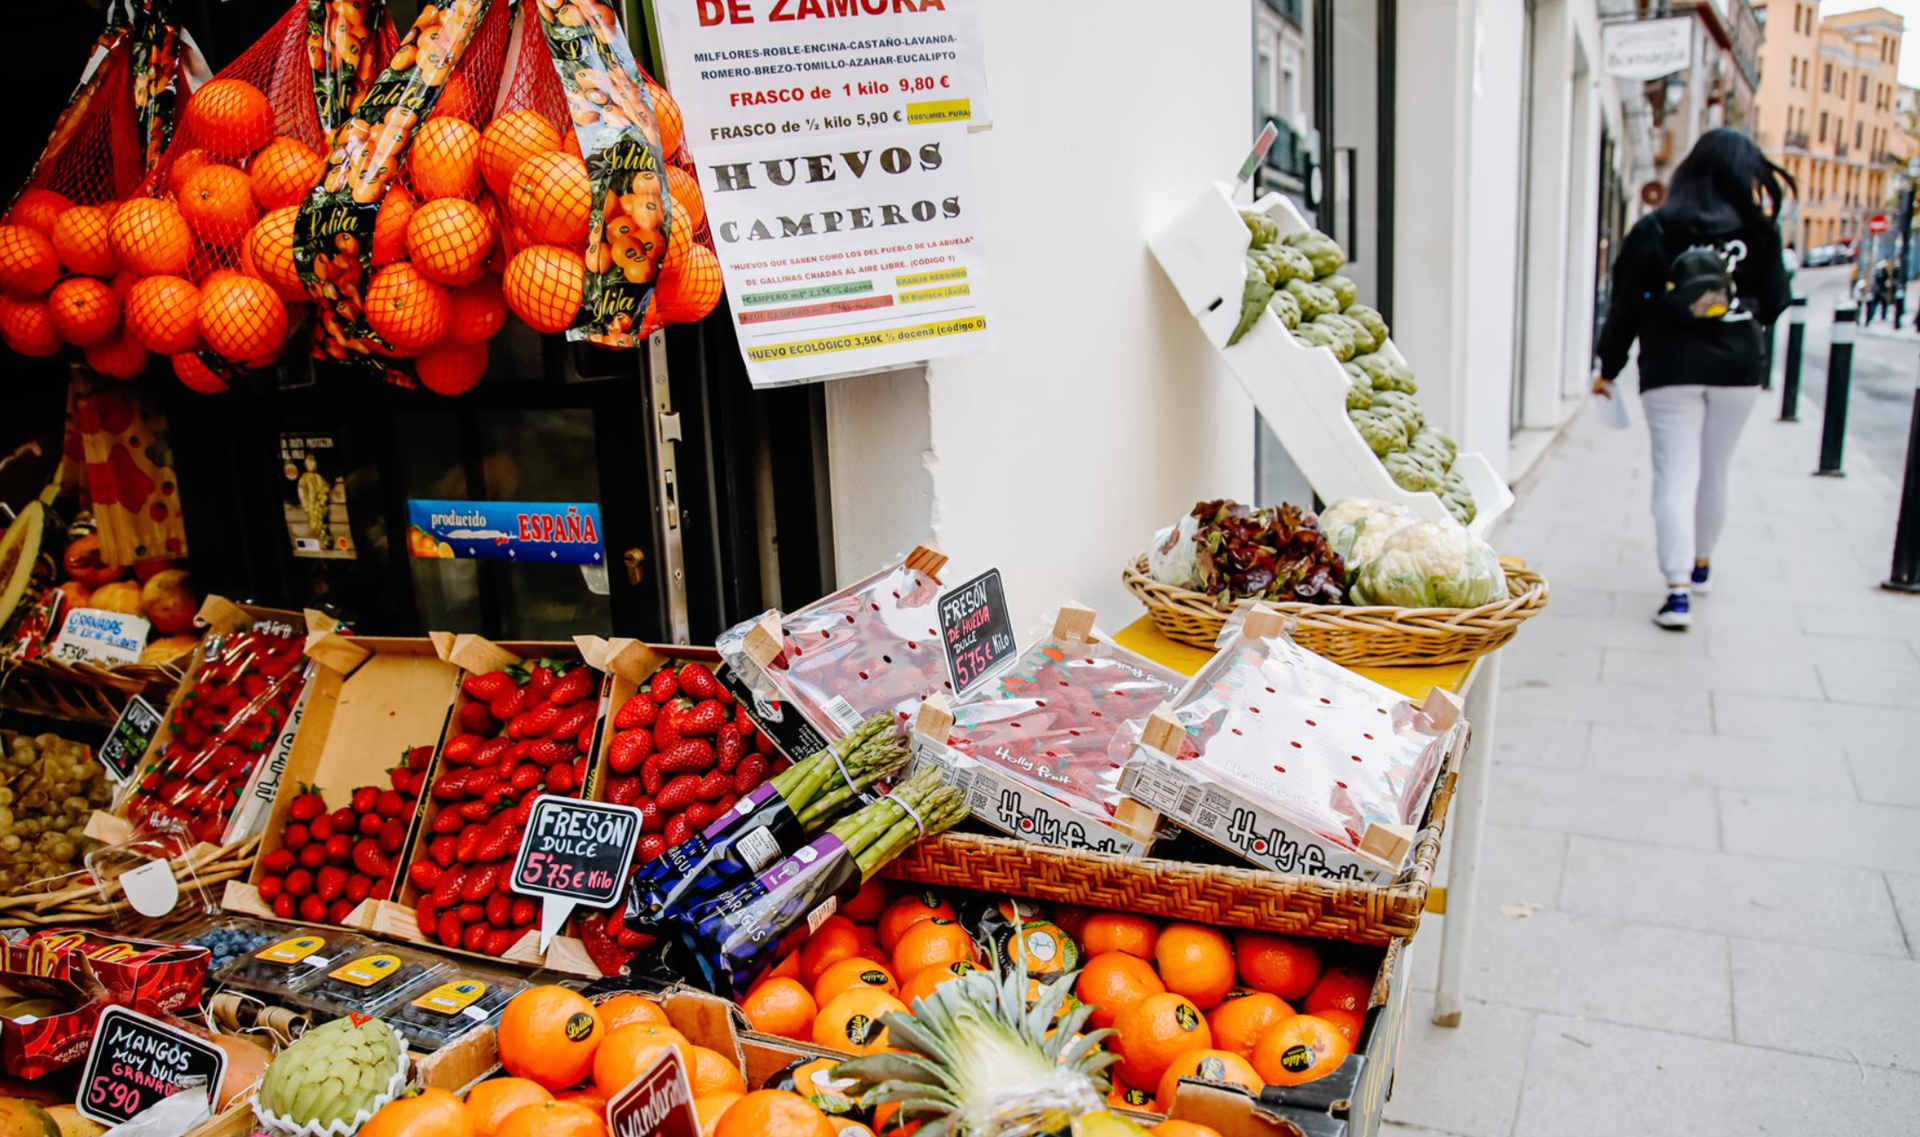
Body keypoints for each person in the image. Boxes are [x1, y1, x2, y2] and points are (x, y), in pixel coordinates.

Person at [1593, 128, 1792, 630]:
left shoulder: (1656, 228)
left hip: (1671, 367)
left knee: (1675, 473)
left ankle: (1677, 590)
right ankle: (1701, 563)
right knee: (1715, 469)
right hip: (1737, 368)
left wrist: (1609, 367)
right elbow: (1776, 303)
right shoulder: (1759, 231)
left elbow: (1624, 306)